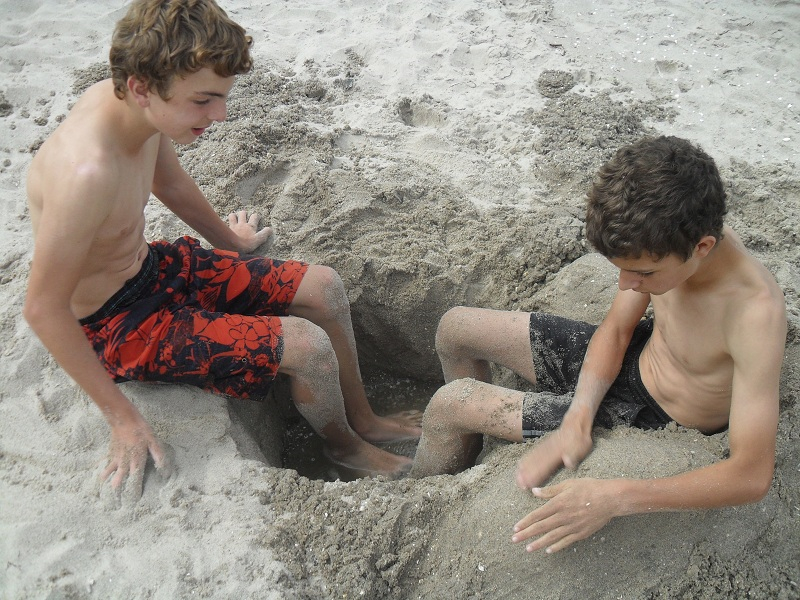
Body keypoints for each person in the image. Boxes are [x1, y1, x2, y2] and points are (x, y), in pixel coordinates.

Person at [24, 0, 420, 501]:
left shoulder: (130, 105)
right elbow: (43, 308)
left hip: (153, 268)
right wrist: (122, 420)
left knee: (325, 286)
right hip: (118, 326)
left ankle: (363, 418)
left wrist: (231, 244)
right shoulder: (85, 174)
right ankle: (344, 447)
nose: (220, 114)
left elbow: (169, 181)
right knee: (308, 347)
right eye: (204, 100)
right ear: (143, 88)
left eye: (222, 98)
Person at [410, 136, 787, 554]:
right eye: (621, 270)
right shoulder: (670, 236)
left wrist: (615, 497)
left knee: (449, 406)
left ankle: (415, 505)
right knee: (455, 328)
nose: (626, 284)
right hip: (636, 356)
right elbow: (618, 330)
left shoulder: (754, 315)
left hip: (650, 417)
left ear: (702, 247)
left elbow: (751, 475)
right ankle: (464, 456)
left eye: (642, 274)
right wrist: (577, 415)